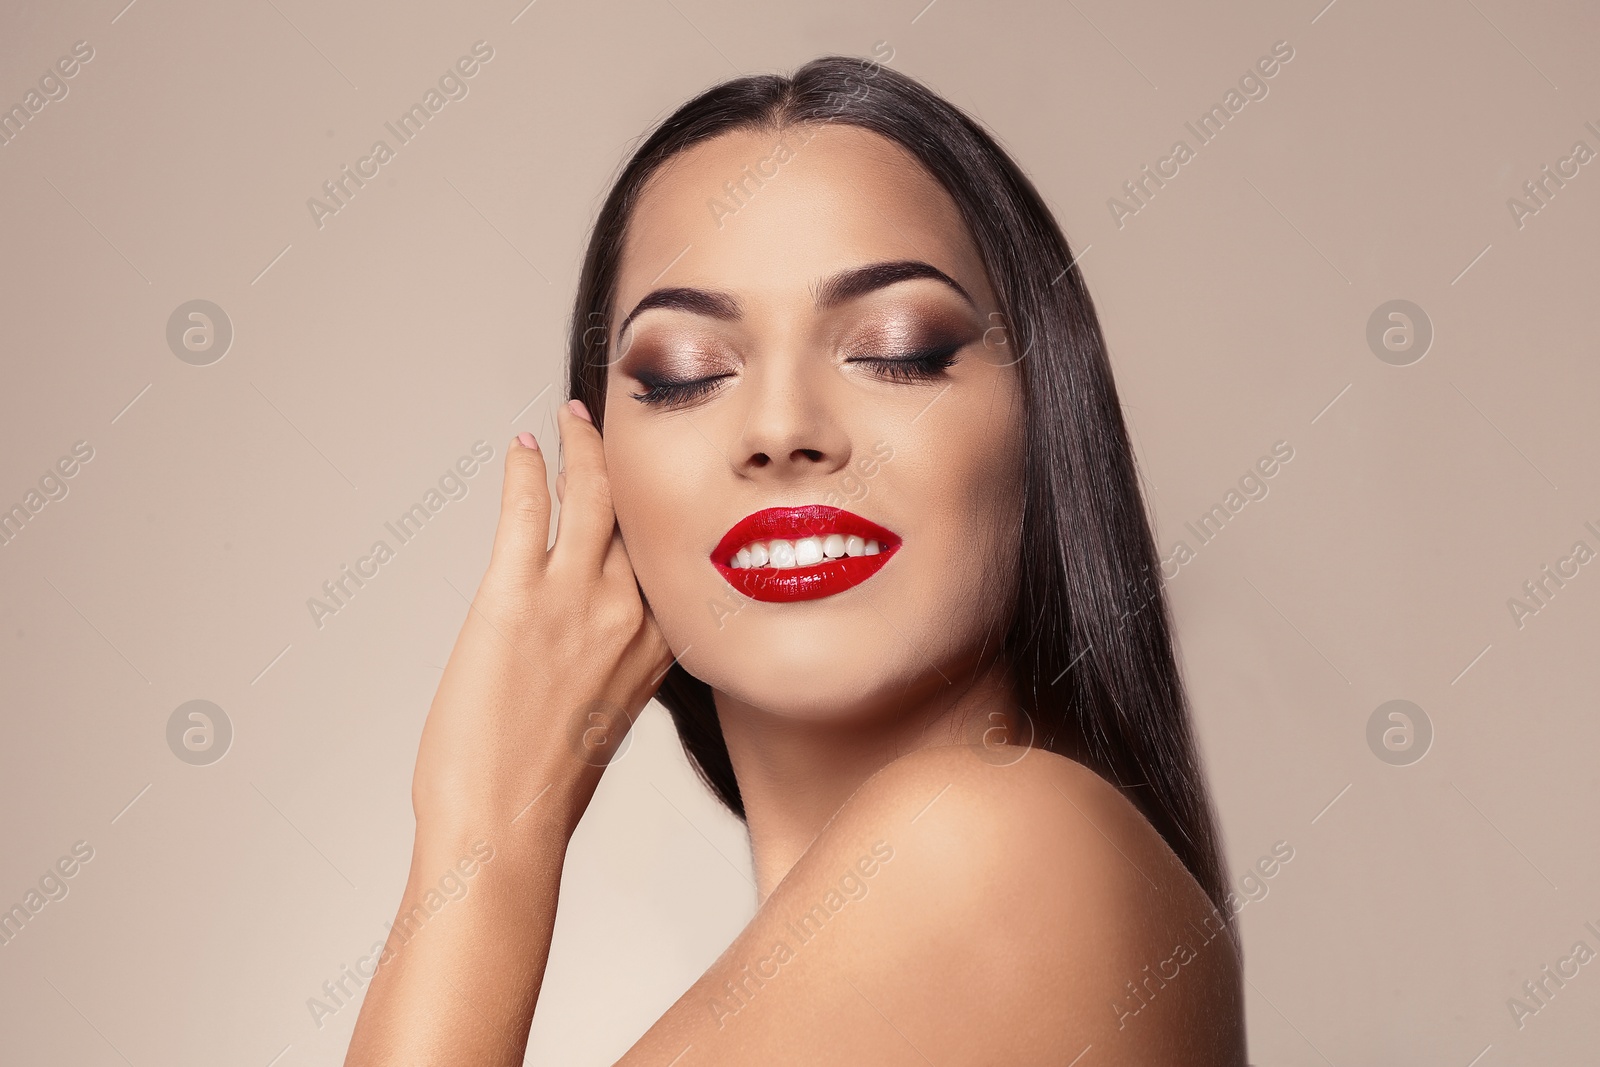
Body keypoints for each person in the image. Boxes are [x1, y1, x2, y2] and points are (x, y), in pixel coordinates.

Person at [346, 55, 1246, 1065]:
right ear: (602, 467)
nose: (779, 429)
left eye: (896, 348)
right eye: (686, 372)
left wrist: (486, 835)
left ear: (1047, 428)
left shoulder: (1001, 842)